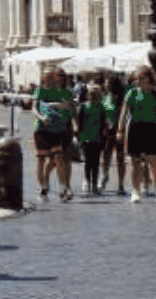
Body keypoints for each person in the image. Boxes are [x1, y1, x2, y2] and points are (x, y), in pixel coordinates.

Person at [117, 66, 156, 204]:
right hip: (135, 127)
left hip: (150, 128)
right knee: (136, 162)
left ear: (149, 78)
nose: (139, 80)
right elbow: (124, 112)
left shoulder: (155, 94)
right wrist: (120, 130)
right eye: (137, 78)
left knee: (153, 160)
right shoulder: (132, 93)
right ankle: (135, 191)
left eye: (142, 77)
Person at [33, 67, 77, 201]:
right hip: (42, 128)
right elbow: (35, 108)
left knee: (59, 158)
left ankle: (63, 188)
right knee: (41, 159)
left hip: (58, 128)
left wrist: (71, 110)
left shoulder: (65, 92)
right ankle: (43, 186)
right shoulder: (40, 91)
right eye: (49, 77)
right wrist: (41, 118)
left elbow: (70, 110)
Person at [76, 82, 105, 195]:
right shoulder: (83, 107)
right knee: (88, 161)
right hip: (85, 137)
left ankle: (94, 183)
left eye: (96, 94)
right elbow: (79, 122)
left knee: (96, 162)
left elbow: (103, 123)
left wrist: (103, 135)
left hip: (97, 138)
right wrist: (78, 136)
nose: (93, 96)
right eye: (91, 94)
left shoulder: (101, 107)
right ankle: (87, 181)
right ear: (88, 94)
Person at [101, 74, 128, 195]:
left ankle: (121, 184)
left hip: (118, 129)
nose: (106, 84)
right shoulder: (104, 97)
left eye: (108, 82)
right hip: (106, 130)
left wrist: (119, 127)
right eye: (105, 82)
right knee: (106, 155)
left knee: (120, 158)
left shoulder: (120, 97)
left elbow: (123, 114)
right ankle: (104, 176)